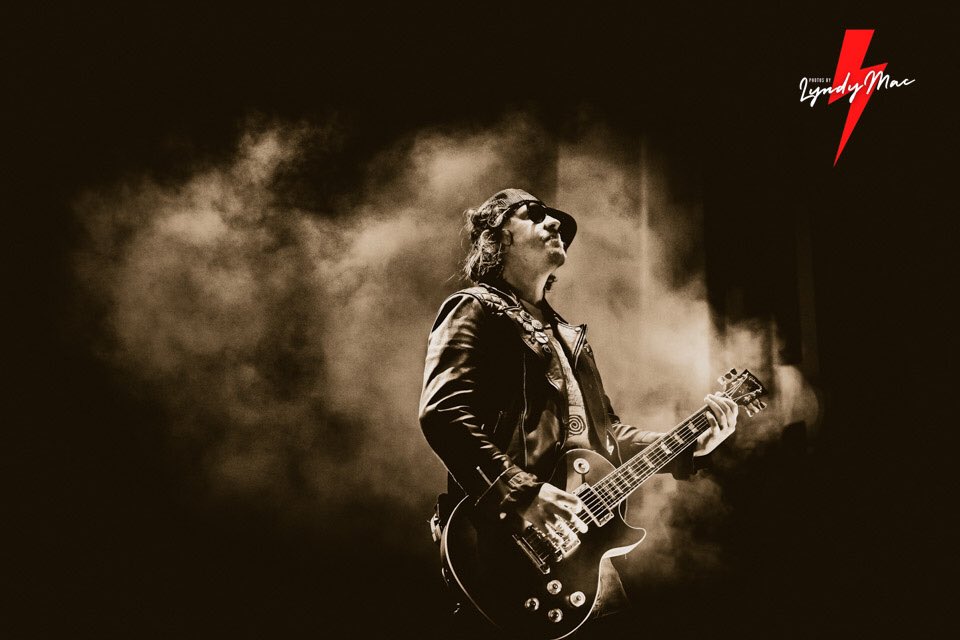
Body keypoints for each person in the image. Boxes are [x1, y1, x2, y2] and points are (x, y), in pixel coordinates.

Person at [419, 188, 738, 635]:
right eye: (534, 215)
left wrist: (691, 443)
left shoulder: (569, 337)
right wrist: (521, 492)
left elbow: (607, 437)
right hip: (504, 547)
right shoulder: (474, 307)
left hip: (587, 572)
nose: (555, 225)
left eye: (558, 223)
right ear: (498, 237)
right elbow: (444, 414)